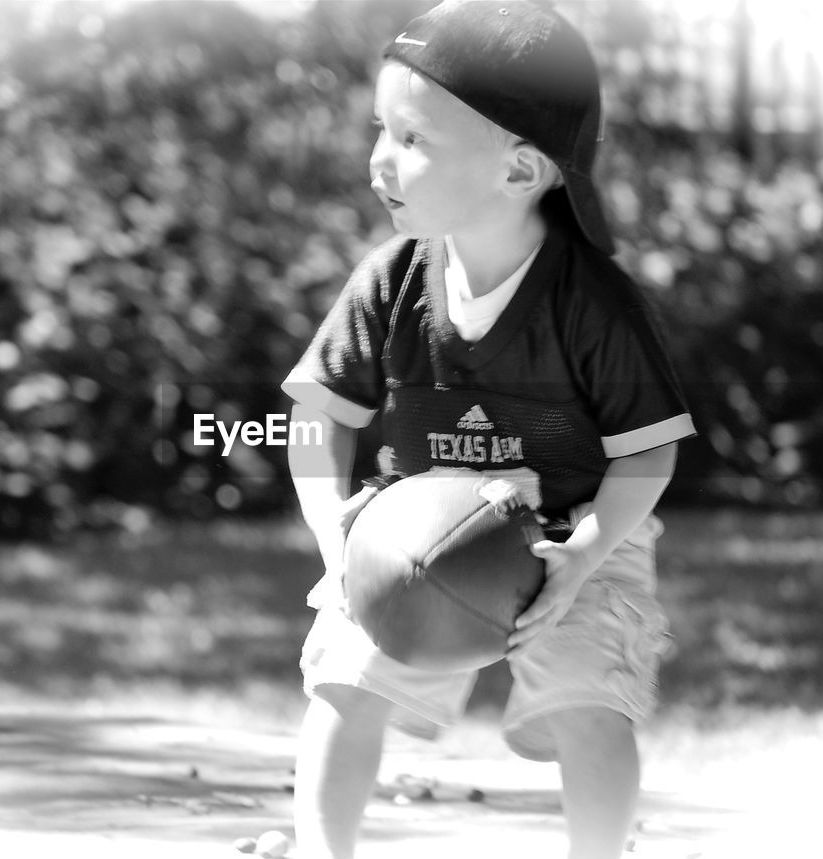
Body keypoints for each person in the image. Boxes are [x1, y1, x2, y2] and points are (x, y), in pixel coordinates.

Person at [282, 3, 696, 857]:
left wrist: (583, 555)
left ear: (518, 170)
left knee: (591, 707)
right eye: (379, 129)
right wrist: (337, 540)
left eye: (411, 138)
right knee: (342, 682)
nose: (377, 160)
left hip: (578, 532)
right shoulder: (391, 281)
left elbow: (647, 448)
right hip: (408, 529)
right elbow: (318, 420)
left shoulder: (592, 303)